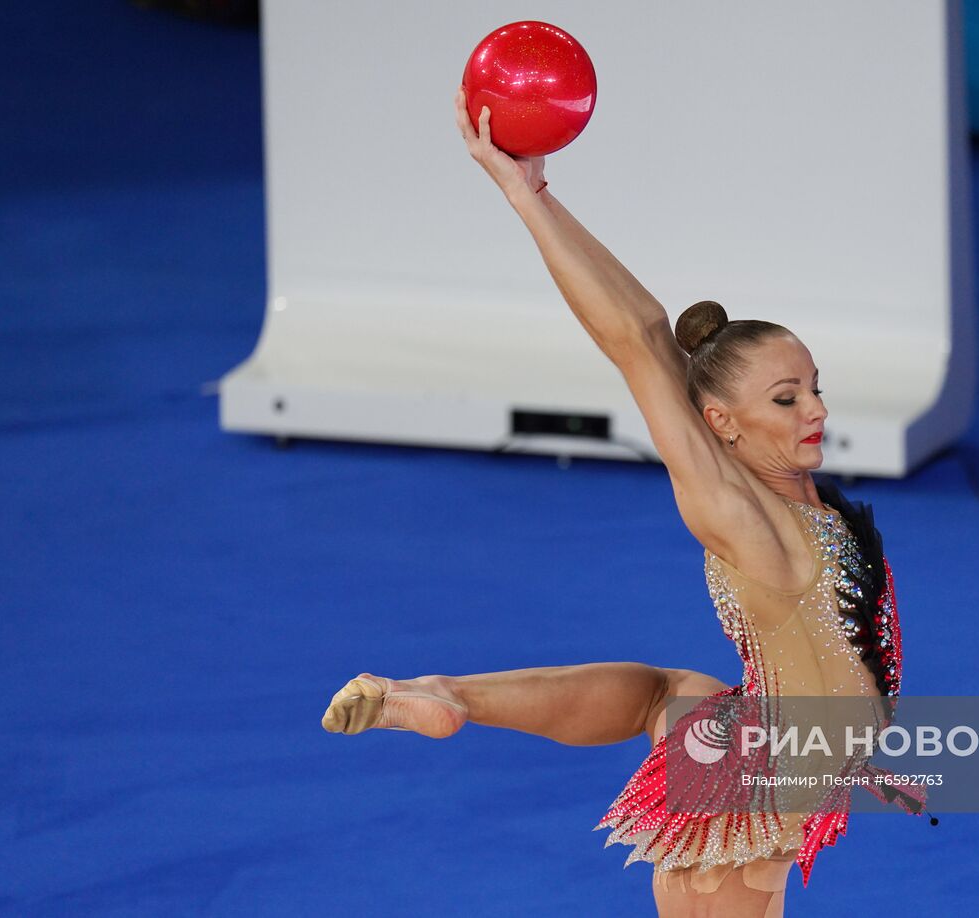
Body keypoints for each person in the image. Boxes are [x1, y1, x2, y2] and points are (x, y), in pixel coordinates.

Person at [319, 86, 929, 918]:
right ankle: (442, 696)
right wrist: (518, 197)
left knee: (664, 695)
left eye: (814, 389)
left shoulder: (781, 491)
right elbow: (628, 342)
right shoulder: (740, 512)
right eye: (787, 399)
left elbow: (648, 327)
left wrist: (538, 191)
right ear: (723, 423)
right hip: (756, 801)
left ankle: (443, 692)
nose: (815, 410)